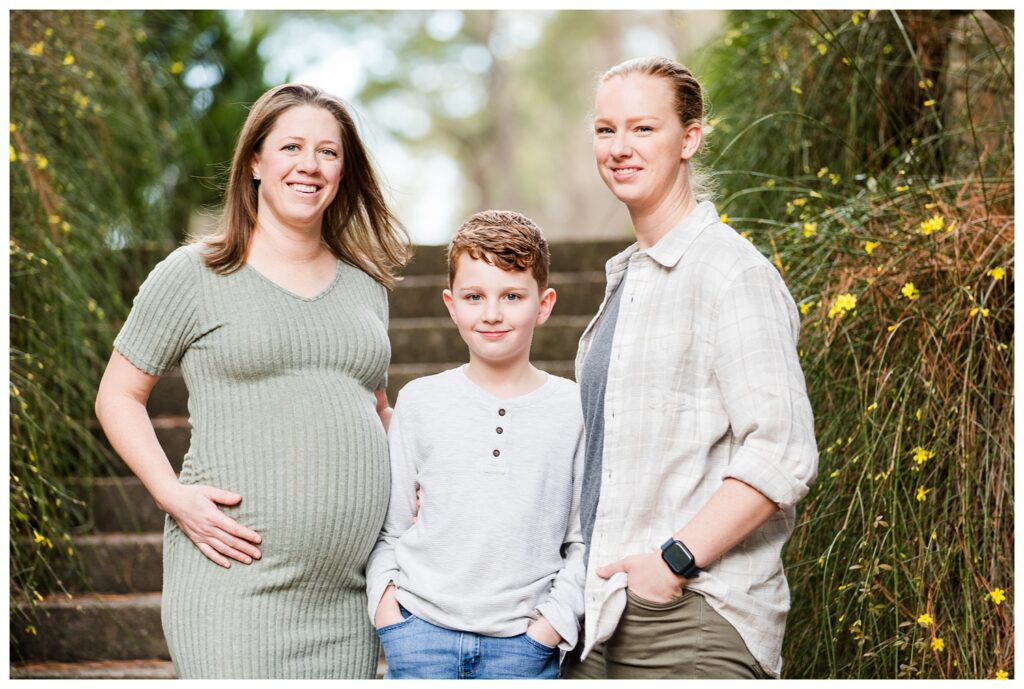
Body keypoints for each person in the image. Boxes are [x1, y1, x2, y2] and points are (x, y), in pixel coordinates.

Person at [94, 83, 410, 678]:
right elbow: (118, 396)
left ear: (343, 171)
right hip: (232, 587)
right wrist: (171, 494)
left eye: (328, 152)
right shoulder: (195, 272)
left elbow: (374, 407)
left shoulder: (367, 285)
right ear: (256, 163)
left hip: (346, 599)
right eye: (291, 146)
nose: (309, 165)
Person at [564, 56, 819, 679]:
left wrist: (673, 561)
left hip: (693, 619)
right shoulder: (628, 278)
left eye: (643, 129)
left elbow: (783, 451)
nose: (620, 148)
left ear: (690, 138)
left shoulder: (731, 273)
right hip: (605, 619)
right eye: (605, 130)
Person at [365, 210, 585, 679]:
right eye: (474, 296)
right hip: (419, 636)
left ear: (543, 305)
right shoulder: (422, 401)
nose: (491, 313)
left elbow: (583, 539)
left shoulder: (574, 409)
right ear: (451, 303)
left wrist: (549, 629)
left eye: (511, 296)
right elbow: (393, 528)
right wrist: (390, 617)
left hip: (523, 648)